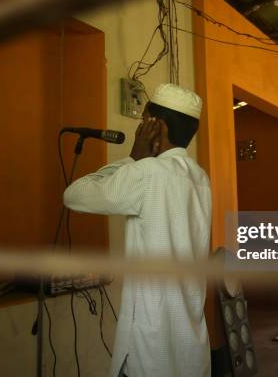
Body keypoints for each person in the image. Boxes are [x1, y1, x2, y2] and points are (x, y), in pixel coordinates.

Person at [64, 83, 212, 377]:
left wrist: (133, 158)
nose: (140, 125)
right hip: (189, 330)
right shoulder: (199, 176)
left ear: (155, 126)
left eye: (144, 119)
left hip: (151, 337)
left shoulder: (146, 173)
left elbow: (74, 194)